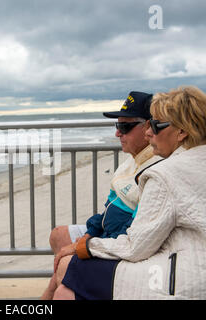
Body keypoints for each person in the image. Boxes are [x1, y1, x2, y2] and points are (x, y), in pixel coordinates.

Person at [50, 86, 206, 300]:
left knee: (68, 270)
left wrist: (86, 245)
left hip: (187, 282)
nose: (148, 132)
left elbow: (136, 247)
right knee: (72, 282)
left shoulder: (166, 174)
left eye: (155, 125)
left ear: (182, 131)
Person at [41, 91, 162, 299]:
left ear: (148, 127)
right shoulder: (131, 162)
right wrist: (88, 235)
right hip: (106, 235)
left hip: (119, 246)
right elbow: (107, 209)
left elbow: (133, 233)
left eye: (125, 127)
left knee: (63, 274)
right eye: (117, 126)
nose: (118, 134)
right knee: (58, 235)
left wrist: (86, 246)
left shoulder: (155, 170)